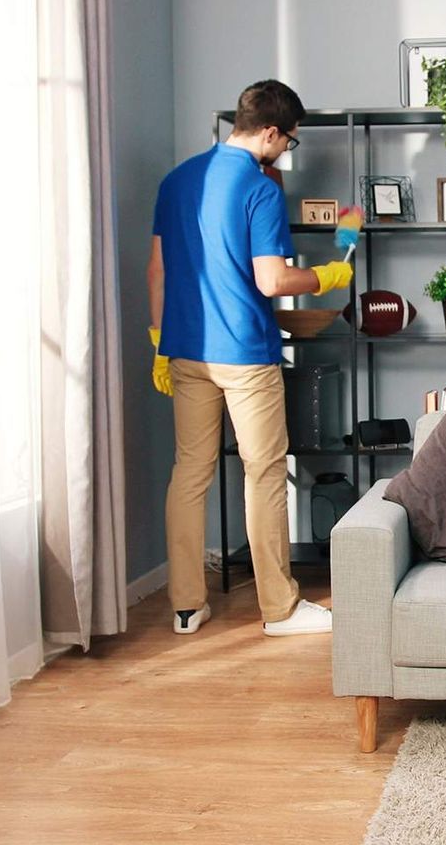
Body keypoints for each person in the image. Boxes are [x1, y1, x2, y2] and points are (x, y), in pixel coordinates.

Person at [147, 80, 353, 636]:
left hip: (186, 349)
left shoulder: (178, 180)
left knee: (190, 473)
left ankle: (186, 607)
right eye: (288, 140)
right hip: (243, 352)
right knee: (263, 473)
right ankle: (280, 609)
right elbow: (272, 280)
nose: (288, 149)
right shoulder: (258, 192)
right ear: (269, 132)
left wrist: (157, 341)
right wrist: (328, 274)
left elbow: (159, 272)